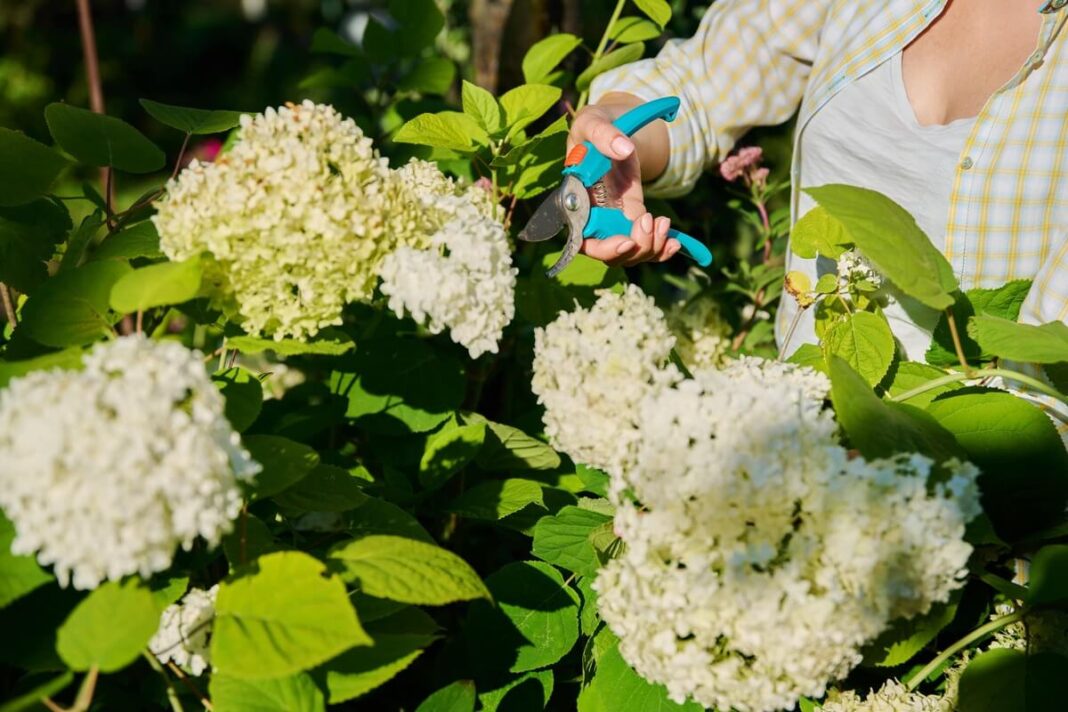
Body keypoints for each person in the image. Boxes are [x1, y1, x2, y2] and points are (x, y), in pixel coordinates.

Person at [571, 0, 1068, 362]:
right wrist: (614, 140)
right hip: (799, 443)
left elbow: (1050, 375)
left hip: (986, 484)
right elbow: (704, 82)